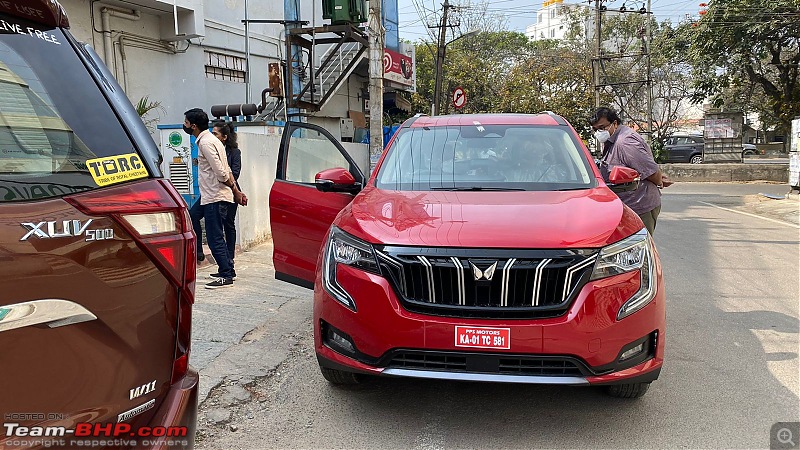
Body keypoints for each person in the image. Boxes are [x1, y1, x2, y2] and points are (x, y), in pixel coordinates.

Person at [183, 108, 246, 289]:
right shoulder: (210, 139)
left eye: (186, 123)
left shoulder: (206, 143)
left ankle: (226, 274)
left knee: (214, 237)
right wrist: (235, 191)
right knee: (194, 216)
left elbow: (221, 171)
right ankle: (227, 269)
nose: (185, 125)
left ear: (193, 126)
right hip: (212, 195)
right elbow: (225, 169)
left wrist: (234, 189)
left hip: (215, 196)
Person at [589, 107, 672, 234]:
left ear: (614, 123)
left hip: (639, 206)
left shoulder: (624, 142)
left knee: (637, 249)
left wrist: (659, 181)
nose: (598, 132)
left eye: (602, 128)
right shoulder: (611, 139)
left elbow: (651, 172)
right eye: (595, 129)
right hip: (626, 206)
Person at [212, 121, 242, 277]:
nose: (213, 136)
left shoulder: (234, 152)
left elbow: (235, 173)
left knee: (228, 225)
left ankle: (229, 260)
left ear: (224, 137)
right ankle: (224, 264)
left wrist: (225, 180)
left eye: (215, 133)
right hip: (214, 192)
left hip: (231, 191)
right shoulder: (212, 150)